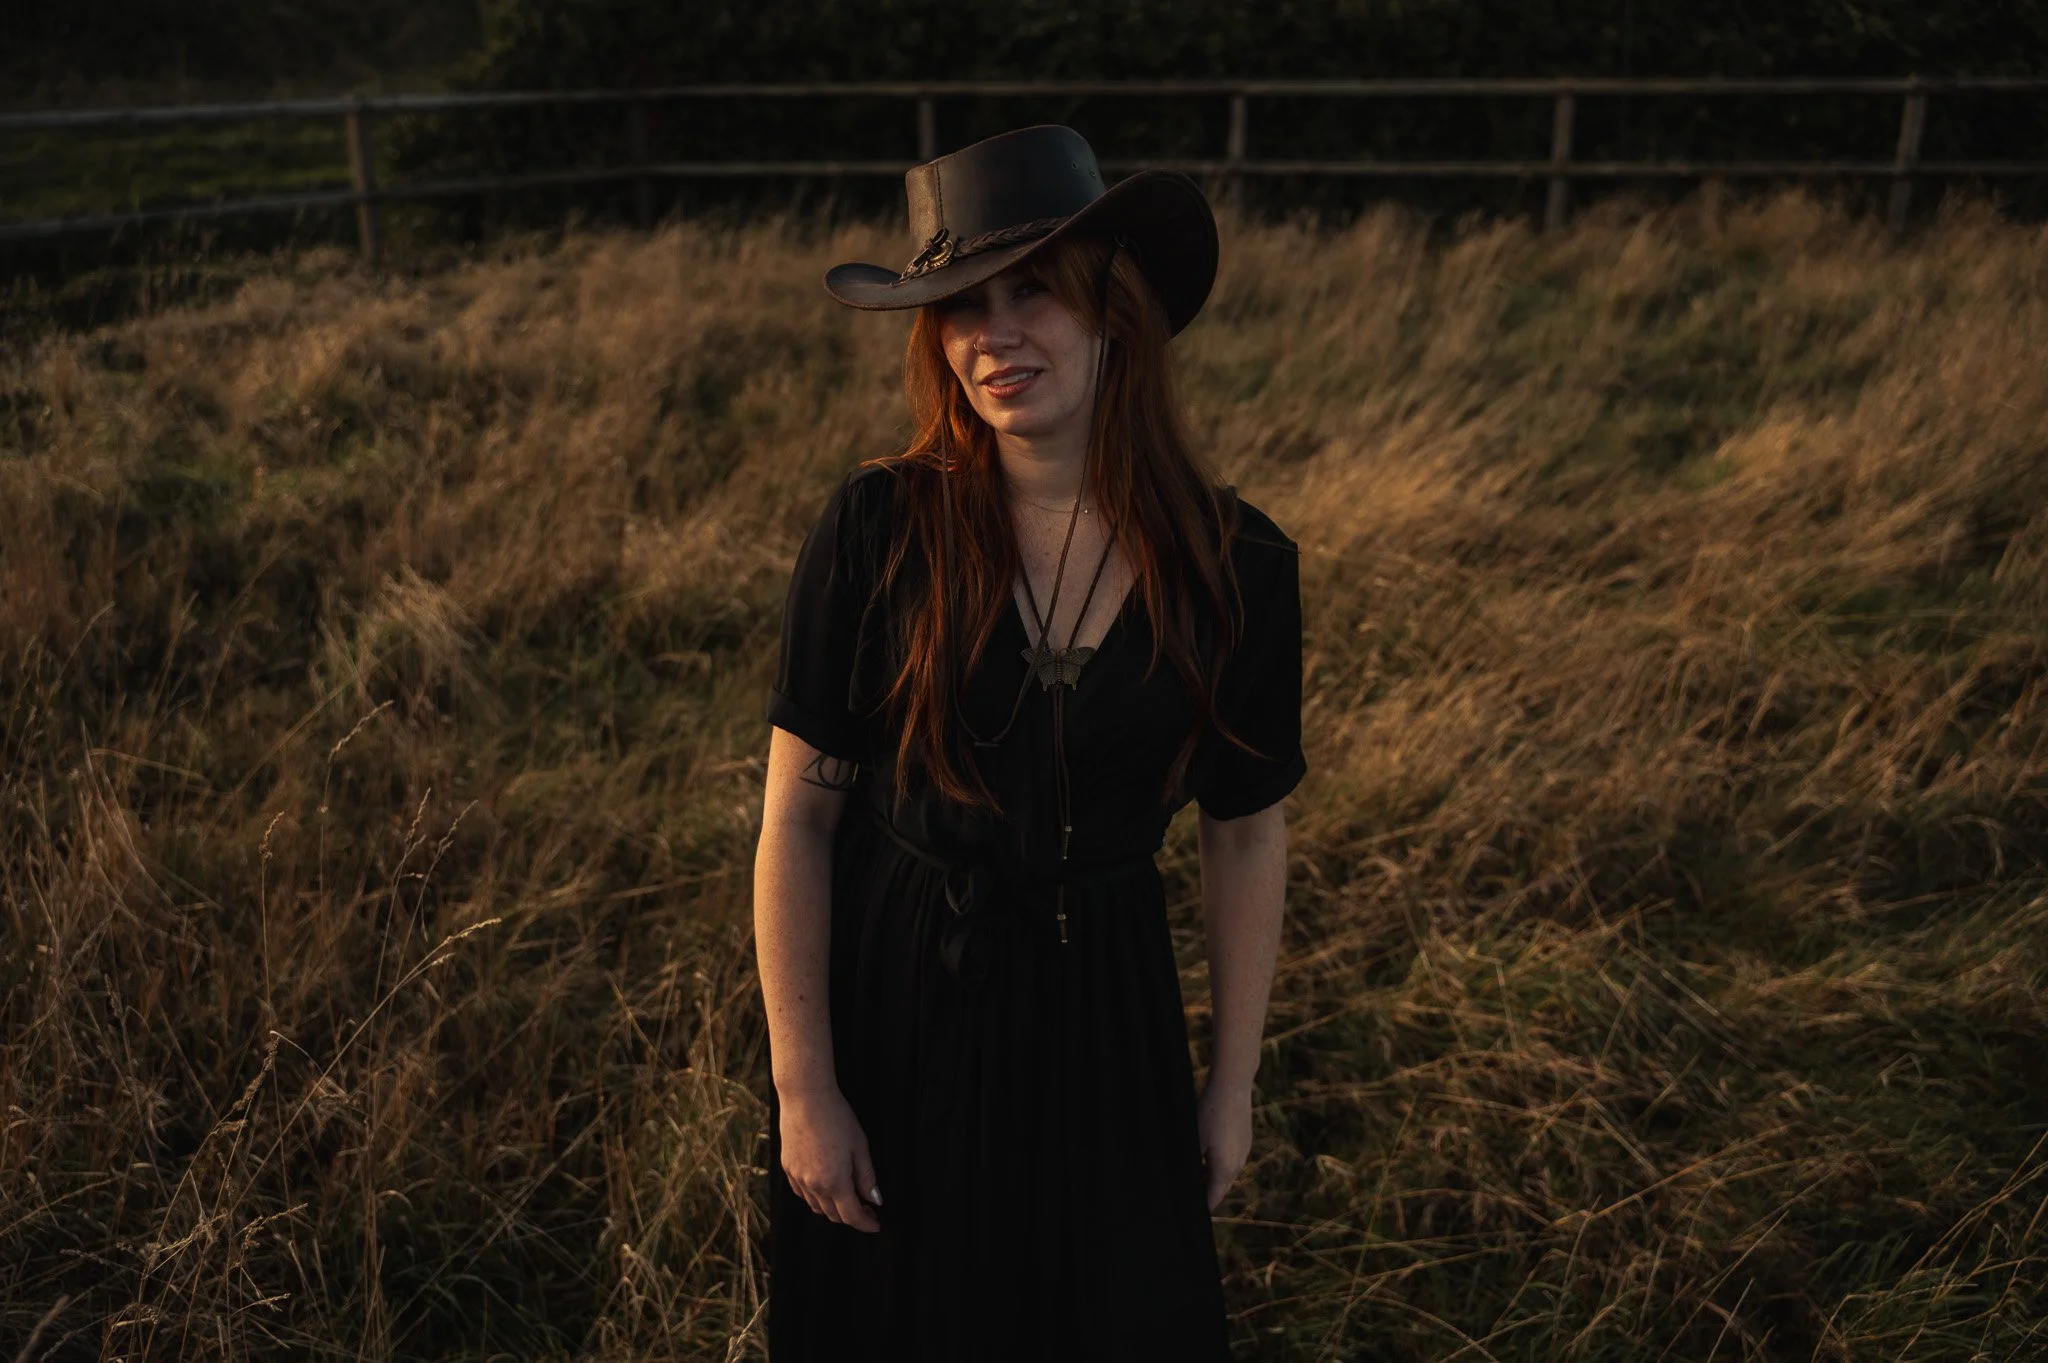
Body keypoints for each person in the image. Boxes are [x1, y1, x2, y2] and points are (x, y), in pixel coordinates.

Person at [753, 123, 1305, 1361]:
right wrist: (807, 1088)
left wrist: (1229, 1080)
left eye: (1032, 292)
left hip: (1106, 1010)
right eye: (960, 308)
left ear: (1112, 309)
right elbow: (797, 815)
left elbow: (1245, 826)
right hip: (901, 1003)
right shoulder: (879, 526)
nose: (993, 336)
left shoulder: (1238, 567)